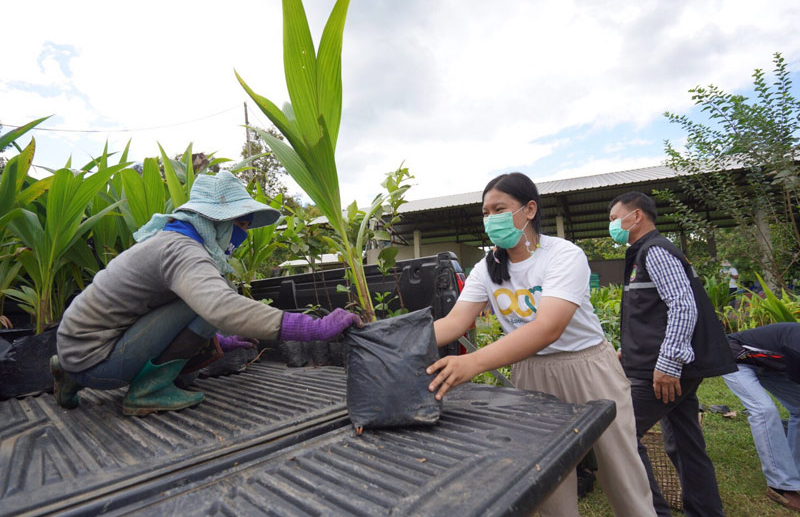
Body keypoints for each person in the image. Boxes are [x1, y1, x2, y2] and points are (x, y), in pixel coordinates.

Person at [427, 173, 656, 517]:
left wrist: (472, 364)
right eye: (486, 212)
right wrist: (394, 340)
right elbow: (455, 322)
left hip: (587, 368)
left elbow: (548, 327)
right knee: (547, 482)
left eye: (499, 209)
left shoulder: (564, 255)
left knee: (620, 469)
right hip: (530, 372)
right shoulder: (486, 269)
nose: (490, 219)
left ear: (529, 209)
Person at [50, 171, 361, 416]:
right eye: (241, 223)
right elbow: (220, 307)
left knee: (201, 299)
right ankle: (147, 392)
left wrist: (221, 342)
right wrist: (316, 328)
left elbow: (147, 317)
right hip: (99, 363)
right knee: (214, 297)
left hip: (77, 349)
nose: (242, 234)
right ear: (215, 221)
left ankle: (68, 375)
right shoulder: (182, 251)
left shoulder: (168, 242)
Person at [608, 191, 736, 517]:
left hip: (661, 371)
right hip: (662, 366)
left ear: (636, 216)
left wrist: (669, 363)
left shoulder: (655, 252)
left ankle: (655, 511)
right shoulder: (643, 254)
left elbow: (682, 305)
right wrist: (628, 349)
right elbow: (652, 312)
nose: (612, 226)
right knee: (684, 442)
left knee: (620, 431)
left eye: (614, 218)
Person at [723, 323, 800, 512]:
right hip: (736, 358)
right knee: (764, 411)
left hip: (769, 364)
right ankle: (780, 485)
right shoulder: (796, 347)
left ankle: (794, 470)